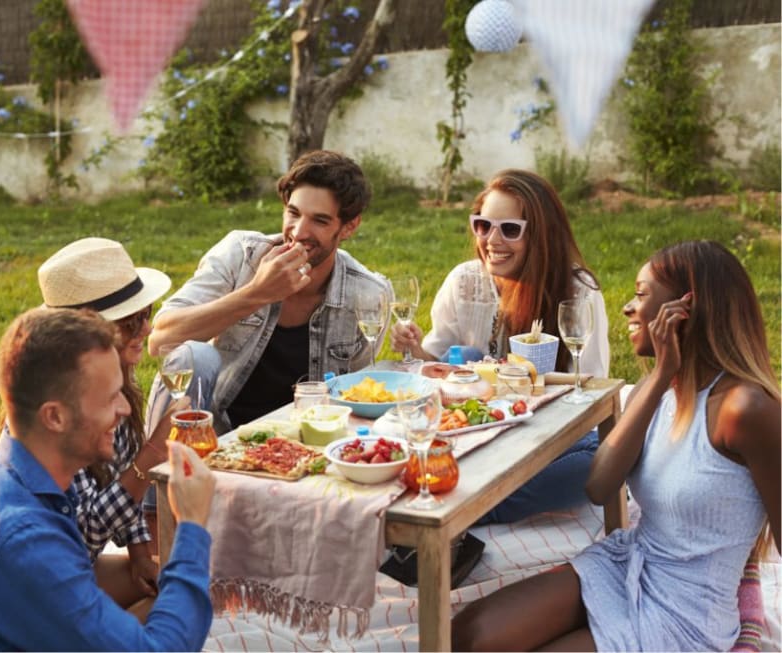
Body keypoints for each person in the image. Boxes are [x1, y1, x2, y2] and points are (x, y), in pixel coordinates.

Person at [451, 240, 780, 651]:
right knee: (469, 635)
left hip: (686, 615)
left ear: (684, 308)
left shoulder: (744, 409)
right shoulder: (657, 388)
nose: (627, 307)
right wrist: (660, 375)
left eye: (641, 295)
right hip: (627, 564)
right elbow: (600, 486)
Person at [0, 308, 216, 651]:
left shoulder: (6, 471)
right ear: (55, 416)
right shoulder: (26, 542)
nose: (125, 410)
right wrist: (191, 526)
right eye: (110, 398)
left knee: (175, 600)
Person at [391, 169, 609, 523]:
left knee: (596, 460)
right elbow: (435, 364)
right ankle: (479, 500)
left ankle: (473, 507)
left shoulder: (577, 291)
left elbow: (592, 392)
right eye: (483, 225)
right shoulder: (464, 281)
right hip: (471, 431)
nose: (491, 240)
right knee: (458, 369)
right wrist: (415, 349)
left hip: (542, 438)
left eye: (510, 229)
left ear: (541, 236)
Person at [147, 149, 391, 434]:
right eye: (293, 213)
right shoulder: (239, 256)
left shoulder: (368, 295)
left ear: (349, 226)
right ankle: (159, 474)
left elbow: (356, 397)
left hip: (305, 438)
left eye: (320, 221)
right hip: (215, 432)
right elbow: (160, 340)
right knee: (195, 356)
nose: (299, 232)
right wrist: (257, 293)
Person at [32, 236, 187, 603]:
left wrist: (138, 557)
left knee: (178, 588)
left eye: (147, 314)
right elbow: (85, 530)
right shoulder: (58, 411)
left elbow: (118, 473)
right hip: (39, 586)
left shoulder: (110, 374)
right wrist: (154, 451)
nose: (147, 330)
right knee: (170, 610)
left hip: (74, 567)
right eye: (134, 321)